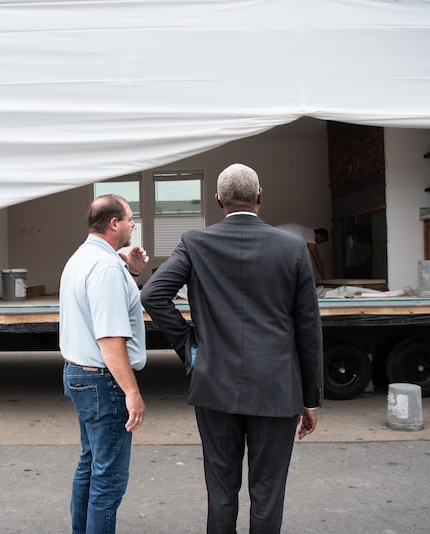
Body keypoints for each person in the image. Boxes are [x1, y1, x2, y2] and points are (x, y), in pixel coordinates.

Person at [140, 163, 323, 534]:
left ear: (218, 199)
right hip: (277, 389)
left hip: (215, 385)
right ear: (260, 197)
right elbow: (308, 328)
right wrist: (310, 398)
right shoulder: (292, 248)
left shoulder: (195, 242)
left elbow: (152, 295)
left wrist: (190, 346)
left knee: (221, 492)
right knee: (268, 493)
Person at [59, 193, 150, 534]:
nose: (133, 224)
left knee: (91, 464)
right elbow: (110, 339)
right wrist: (131, 391)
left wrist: (131, 272)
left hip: (79, 374)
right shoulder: (107, 268)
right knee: (109, 479)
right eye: (129, 219)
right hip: (103, 381)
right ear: (114, 224)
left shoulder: (81, 258)